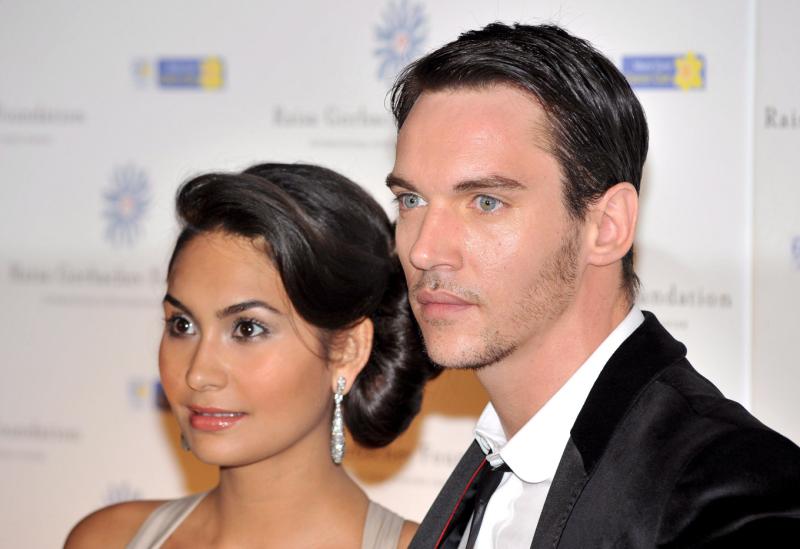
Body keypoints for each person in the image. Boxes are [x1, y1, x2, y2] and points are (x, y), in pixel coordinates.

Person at [386, 22, 800, 548]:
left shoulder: (725, 491)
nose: (424, 250)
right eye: (412, 201)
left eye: (486, 202)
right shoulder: (488, 472)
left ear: (606, 226)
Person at [65, 163, 437, 548]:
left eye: (247, 329)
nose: (198, 373)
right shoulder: (105, 539)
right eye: (182, 324)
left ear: (347, 350)